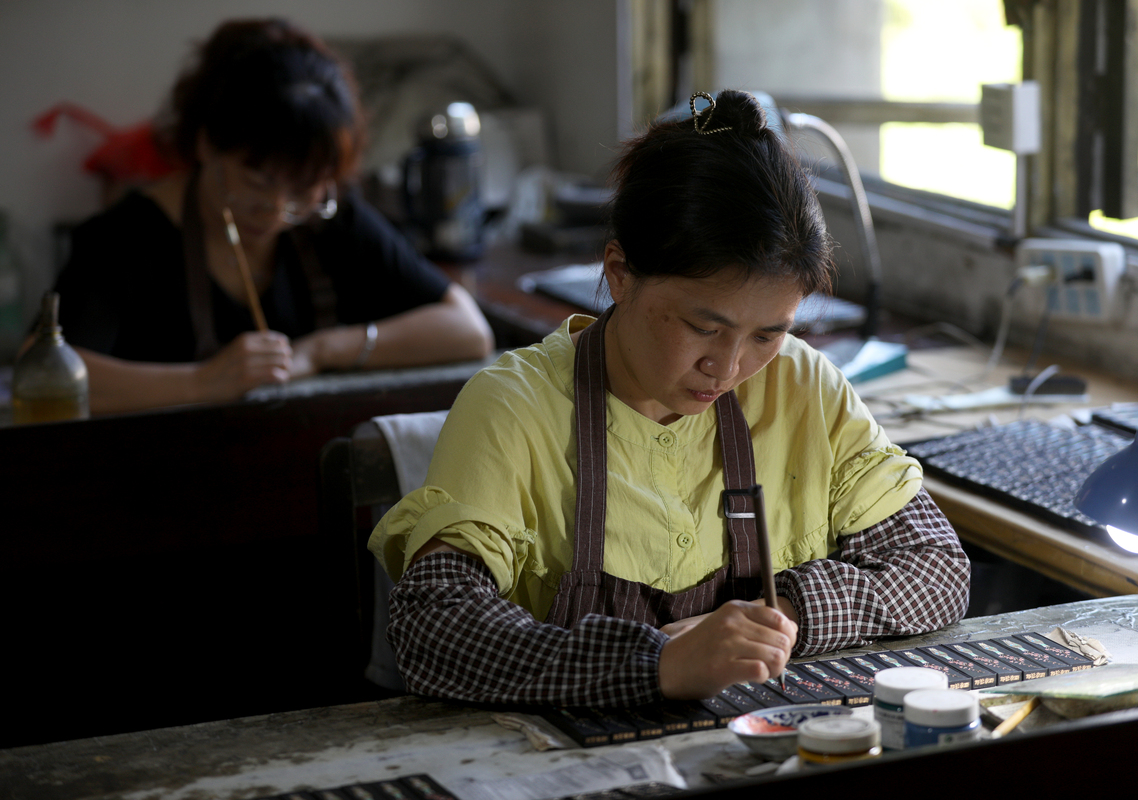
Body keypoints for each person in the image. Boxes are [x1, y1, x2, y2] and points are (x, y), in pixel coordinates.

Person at [368, 90, 970, 708]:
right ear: (620, 273)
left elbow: (935, 569)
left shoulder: (802, 388)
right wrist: (658, 663)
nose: (728, 366)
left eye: (767, 333)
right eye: (702, 327)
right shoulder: (515, 407)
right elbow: (434, 629)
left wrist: (777, 615)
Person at [50, 18, 493, 415]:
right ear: (207, 145)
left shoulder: (330, 219)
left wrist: (323, 350)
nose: (277, 210)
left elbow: (468, 331)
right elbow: (45, 378)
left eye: (302, 189)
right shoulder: (124, 238)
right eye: (258, 180)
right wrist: (204, 382)